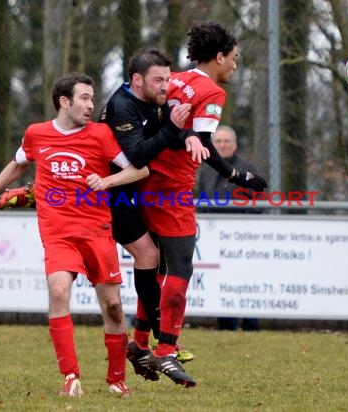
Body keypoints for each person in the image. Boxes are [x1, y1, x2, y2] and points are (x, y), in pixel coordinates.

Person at [0, 73, 149, 397]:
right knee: (58, 290)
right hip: (58, 232)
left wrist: (107, 182)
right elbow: (18, 164)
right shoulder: (37, 134)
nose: (91, 105)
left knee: (112, 306)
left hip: (97, 229)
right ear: (64, 102)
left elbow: (139, 169)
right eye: (84, 98)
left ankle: (116, 379)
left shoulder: (101, 134)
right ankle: (71, 377)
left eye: (93, 99)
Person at [138, 21, 267, 386]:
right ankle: (165, 351)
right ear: (220, 56)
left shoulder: (174, 78)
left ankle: (138, 343)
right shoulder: (210, 91)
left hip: (144, 178)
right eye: (234, 59)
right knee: (180, 268)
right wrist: (236, 176)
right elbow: (206, 144)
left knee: (154, 269)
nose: (235, 67)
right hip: (172, 187)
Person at [98, 48, 208, 381]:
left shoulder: (152, 101)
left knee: (154, 261)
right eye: (158, 80)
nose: (165, 86)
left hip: (140, 193)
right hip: (115, 196)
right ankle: (161, 343)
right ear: (137, 80)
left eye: (168, 78)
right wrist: (171, 128)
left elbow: (166, 139)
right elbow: (137, 156)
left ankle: (143, 345)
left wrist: (187, 135)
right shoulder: (123, 107)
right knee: (148, 257)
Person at [196, 125, 261, 331]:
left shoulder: (248, 170)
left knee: (246, 278)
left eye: (227, 141)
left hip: (242, 237)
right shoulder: (206, 170)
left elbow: (258, 201)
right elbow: (199, 200)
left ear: (235, 144)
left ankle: (251, 324)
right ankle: (226, 323)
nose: (223, 145)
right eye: (219, 141)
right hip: (214, 238)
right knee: (221, 278)